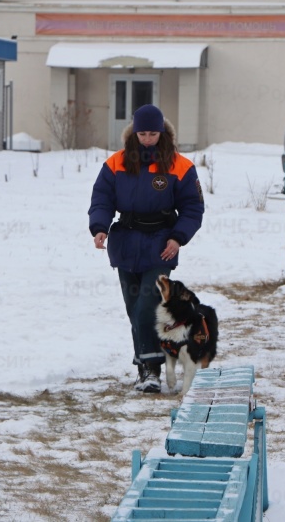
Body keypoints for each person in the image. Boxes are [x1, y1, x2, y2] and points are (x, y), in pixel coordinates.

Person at [89, 104, 205, 393]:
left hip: (160, 245)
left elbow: (193, 207)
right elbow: (101, 199)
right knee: (134, 309)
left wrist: (177, 237)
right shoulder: (116, 163)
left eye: (154, 133)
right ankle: (146, 369)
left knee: (146, 305)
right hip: (125, 244)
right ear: (134, 132)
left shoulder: (180, 166)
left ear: (162, 132)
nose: (148, 139)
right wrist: (100, 227)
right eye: (143, 133)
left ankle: (151, 369)